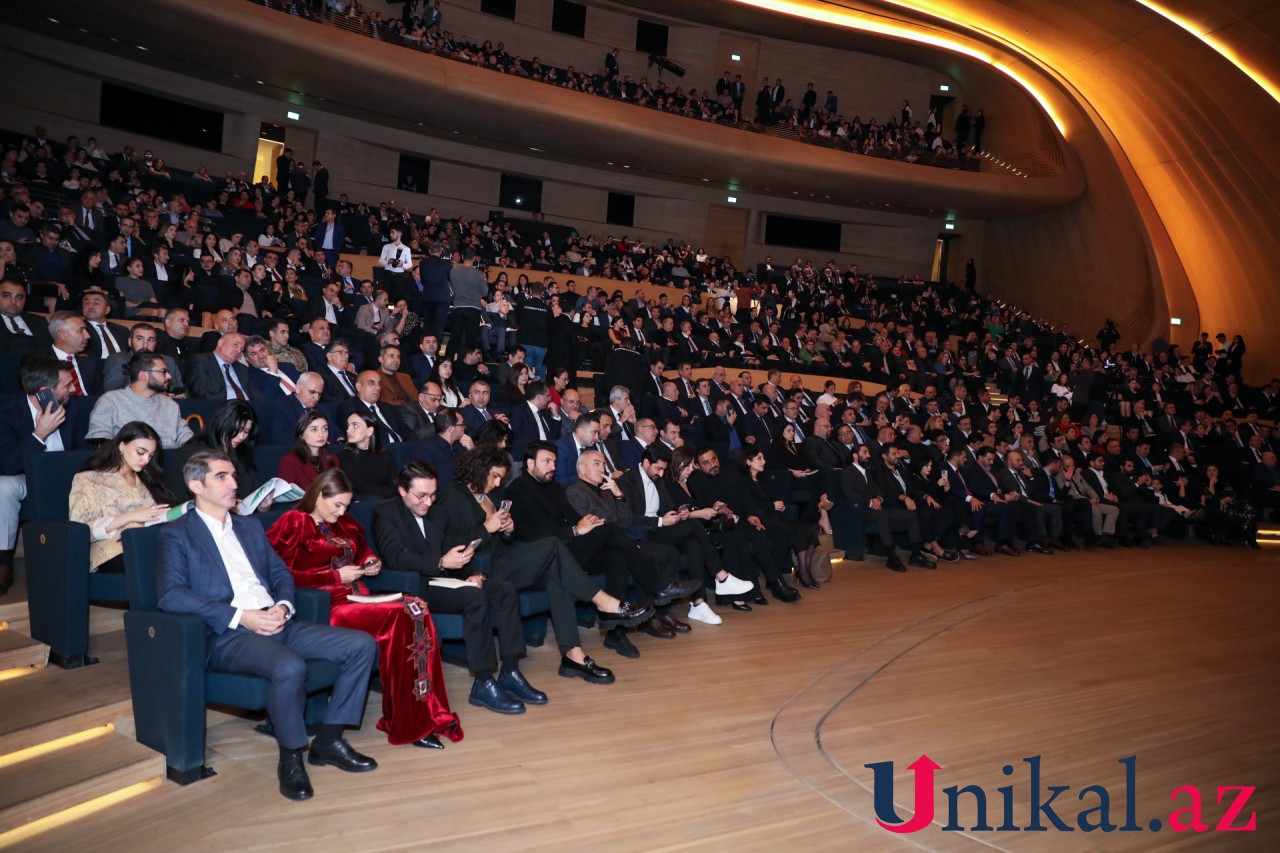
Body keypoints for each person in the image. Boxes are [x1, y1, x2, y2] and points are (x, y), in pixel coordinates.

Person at [158, 450, 378, 801]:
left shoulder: (248, 526)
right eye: (222, 477)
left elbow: (278, 573)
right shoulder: (178, 533)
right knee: (289, 665)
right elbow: (171, 595)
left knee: (361, 645)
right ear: (195, 485)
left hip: (276, 619)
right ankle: (291, 758)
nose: (234, 483)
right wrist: (240, 616)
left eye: (233, 475)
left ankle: (329, 740)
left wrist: (284, 605)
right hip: (228, 633)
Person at [266, 469, 461, 750]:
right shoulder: (294, 522)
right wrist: (333, 577)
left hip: (357, 598)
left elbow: (362, 550)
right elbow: (276, 573)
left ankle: (423, 713)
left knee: (417, 607)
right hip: (325, 606)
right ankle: (411, 721)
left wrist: (370, 562)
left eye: (346, 505)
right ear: (319, 495)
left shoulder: (342, 523)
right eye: (337, 505)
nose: (342, 511)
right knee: (407, 613)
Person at [434, 445, 655, 684]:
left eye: (500, 477)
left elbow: (505, 538)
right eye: (494, 476)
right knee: (552, 545)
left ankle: (573, 656)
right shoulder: (452, 497)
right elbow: (446, 544)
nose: (498, 483)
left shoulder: (493, 497)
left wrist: (508, 529)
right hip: (482, 569)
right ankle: (603, 601)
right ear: (478, 470)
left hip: (503, 561)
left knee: (556, 573)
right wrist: (487, 528)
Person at [372, 460, 544, 715]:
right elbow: (395, 557)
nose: (428, 502)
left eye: (432, 495)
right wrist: (441, 561)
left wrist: (472, 572)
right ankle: (484, 681)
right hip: (413, 584)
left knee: (504, 589)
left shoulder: (435, 512)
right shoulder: (385, 513)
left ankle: (510, 670)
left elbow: (449, 546)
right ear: (402, 491)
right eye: (421, 496)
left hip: (444, 578)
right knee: (474, 597)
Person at [68, 421, 174, 573]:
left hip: (148, 542)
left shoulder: (147, 479)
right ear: (122, 446)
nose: (146, 460)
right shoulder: (89, 479)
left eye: (151, 455)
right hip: (112, 550)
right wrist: (131, 516)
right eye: (140, 452)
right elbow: (82, 530)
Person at [739, 448, 826, 589]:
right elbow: (749, 505)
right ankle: (789, 575)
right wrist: (772, 506)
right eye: (759, 458)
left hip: (772, 518)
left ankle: (804, 571)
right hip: (758, 521)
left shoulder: (762, 478)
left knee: (811, 527)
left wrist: (779, 504)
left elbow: (771, 499)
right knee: (787, 529)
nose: (764, 461)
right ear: (748, 461)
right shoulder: (743, 481)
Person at [166, 401, 268, 505]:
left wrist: (262, 506)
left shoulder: (242, 454)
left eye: (246, 431)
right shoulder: (189, 454)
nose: (241, 436)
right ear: (223, 424)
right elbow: (180, 499)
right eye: (237, 429)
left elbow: (250, 494)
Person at [86, 352, 193, 448]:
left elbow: (187, 439)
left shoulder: (170, 405)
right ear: (143, 376)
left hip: (171, 464)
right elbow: (100, 440)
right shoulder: (110, 401)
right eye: (163, 371)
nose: (169, 376)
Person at [336, 410, 397, 498]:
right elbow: (361, 487)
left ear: (369, 431)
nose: (348, 430)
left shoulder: (385, 453)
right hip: (363, 505)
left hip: (387, 503)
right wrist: (392, 494)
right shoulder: (343, 456)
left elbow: (395, 484)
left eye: (355, 425)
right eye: (348, 426)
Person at [279, 410, 340, 489]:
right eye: (314, 430)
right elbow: (286, 496)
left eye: (325, 429)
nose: (321, 434)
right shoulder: (290, 461)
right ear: (302, 435)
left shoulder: (333, 459)